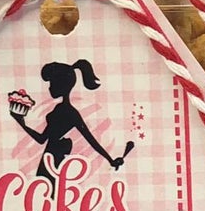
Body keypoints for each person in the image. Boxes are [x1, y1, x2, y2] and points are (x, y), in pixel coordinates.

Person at [9, 59, 131, 190]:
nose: (49, 87)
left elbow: (90, 139)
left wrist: (110, 160)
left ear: (61, 84)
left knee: (47, 189)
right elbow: (42, 139)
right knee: (45, 190)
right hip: (49, 157)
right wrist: (21, 123)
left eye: (52, 83)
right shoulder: (60, 109)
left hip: (54, 158)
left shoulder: (70, 112)